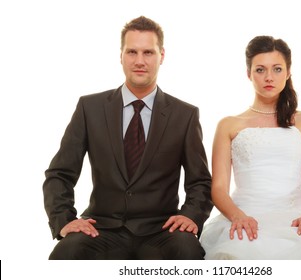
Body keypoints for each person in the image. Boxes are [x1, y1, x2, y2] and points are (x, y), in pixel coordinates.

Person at [43, 16, 213, 260]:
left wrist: (190, 215)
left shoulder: (185, 115)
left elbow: (200, 181)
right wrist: (64, 220)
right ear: (120, 55)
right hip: (101, 228)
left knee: (189, 251)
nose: (140, 61)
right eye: (132, 52)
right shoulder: (90, 108)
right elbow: (59, 173)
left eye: (148, 52)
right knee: (66, 253)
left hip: (162, 230)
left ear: (162, 55)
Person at [200, 35, 301, 259]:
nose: (269, 77)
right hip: (244, 215)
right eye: (260, 70)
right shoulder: (228, 125)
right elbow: (218, 189)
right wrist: (238, 217)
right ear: (248, 74)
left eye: (277, 69)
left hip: (294, 217)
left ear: (288, 73)